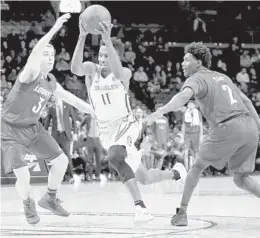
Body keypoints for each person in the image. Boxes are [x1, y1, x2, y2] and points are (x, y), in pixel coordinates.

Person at [71, 17, 186, 223]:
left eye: (107, 55)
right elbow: (74, 69)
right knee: (144, 178)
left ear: (115, 56)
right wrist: (81, 36)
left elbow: (116, 71)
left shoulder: (124, 72)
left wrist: (106, 38)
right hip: (106, 130)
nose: (102, 59)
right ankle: (176, 173)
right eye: (101, 55)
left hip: (127, 124)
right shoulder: (91, 71)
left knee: (115, 157)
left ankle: (140, 208)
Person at [145, 42, 260, 226]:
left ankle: (181, 212)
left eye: (186, 59)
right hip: (250, 126)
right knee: (241, 179)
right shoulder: (223, 77)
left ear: (199, 62)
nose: (182, 63)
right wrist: (258, 127)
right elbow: (246, 100)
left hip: (228, 126)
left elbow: (183, 97)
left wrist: (160, 111)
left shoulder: (196, 78)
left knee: (197, 166)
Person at [1, 13, 94, 225]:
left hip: (33, 128)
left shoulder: (51, 81)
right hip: (10, 129)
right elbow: (34, 53)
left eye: (52, 54)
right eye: (46, 54)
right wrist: (53, 30)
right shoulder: (30, 73)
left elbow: (74, 101)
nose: (50, 57)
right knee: (23, 176)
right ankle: (27, 203)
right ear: (37, 57)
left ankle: (50, 197)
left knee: (61, 161)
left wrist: (98, 112)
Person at [181, 100, 203, 171]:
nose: (190, 106)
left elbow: (200, 124)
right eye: (189, 104)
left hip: (196, 133)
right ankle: (186, 169)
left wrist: (201, 135)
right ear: (187, 106)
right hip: (187, 134)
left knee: (196, 152)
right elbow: (183, 125)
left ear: (194, 105)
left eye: (191, 104)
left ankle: (194, 169)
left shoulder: (198, 113)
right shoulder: (185, 113)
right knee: (186, 151)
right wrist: (182, 135)